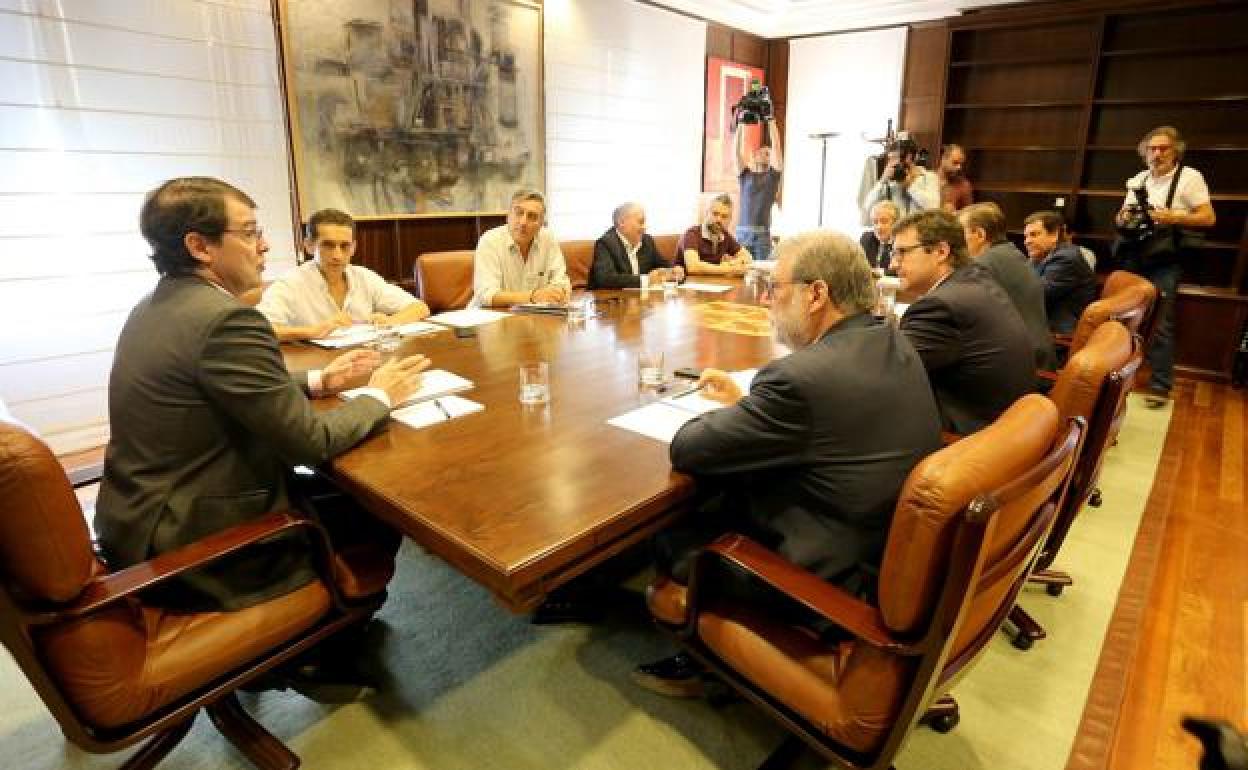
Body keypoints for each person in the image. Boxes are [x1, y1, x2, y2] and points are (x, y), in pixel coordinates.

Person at [94, 177, 428, 698]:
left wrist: (321, 379)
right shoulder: (227, 318)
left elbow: (217, 385)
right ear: (200, 246)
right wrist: (380, 395)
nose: (266, 244)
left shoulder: (158, 306)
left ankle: (322, 633)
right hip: (198, 541)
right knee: (373, 505)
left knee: (340, 493)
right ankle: (319, 646)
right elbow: (310, 443)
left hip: (139, 518)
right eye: (250, 232)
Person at [632, 231, 942, 697]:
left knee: (671, 538)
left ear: (816, 294)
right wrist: (756, 409)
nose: (767, 301)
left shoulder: (801, 380)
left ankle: (706, 661)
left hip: (821, 580)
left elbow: (690, 449)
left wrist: (739, 413)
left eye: (775, 288)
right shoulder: (891, 341)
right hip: (876, 550)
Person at [895, 209, 1035, 434]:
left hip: (968, 437)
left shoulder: (940, 307)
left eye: (902, 252)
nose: (894, 264)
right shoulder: (975, 278)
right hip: (1009, 426)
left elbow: (888, 373)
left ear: (941, 251)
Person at [1114, 125, 1216, 407]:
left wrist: (1173, 217)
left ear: (1175, 152)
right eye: (1152, 148)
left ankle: (1159, 385)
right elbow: (1125, 213)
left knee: (1161, 321)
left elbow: (1208, 218)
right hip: (1134, 255)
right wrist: (1124, 219)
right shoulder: (1138, 179)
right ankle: (1119, 377)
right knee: (1124, 318)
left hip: (1165, 259)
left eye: (1163, 148)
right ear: (1144, 152)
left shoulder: (1189, 178)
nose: (1157, 154)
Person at [257, 208, 430, 341]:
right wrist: (312, 331)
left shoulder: (364, 277)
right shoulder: (290, 283)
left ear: (353, 248)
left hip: (362, 361)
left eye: (344, 246)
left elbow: (420, 308)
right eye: (328, 245)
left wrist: (389, 323)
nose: (337, 255)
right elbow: (259, 329)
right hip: (316, 368)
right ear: (309, 246)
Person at [959, 202, 1057, 371]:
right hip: (1036, 356)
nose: (957, 241)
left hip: (1019, 366)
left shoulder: (982, 266)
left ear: (980, 234)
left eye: (961, 233)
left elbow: (963, 318)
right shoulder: (1012, 253)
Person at [473, 189, 571, 307]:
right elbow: (486, 295)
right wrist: (533, 296)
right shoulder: (490, 241)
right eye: (519, 213)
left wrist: (558, 292)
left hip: (534, 317)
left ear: (541, 224)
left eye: (532, 216)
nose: (523, 222)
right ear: (508, 216)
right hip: (490, 317)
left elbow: (562, 282)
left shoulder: (548, 239)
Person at [1023, 210, 1098, 335]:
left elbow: (1034, 294)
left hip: (1058, 331)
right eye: (1026, 236)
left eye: (1034, 235)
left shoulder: (1065, 258)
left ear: (1054, 235)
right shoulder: (1044, 254)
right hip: (1044, 321)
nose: (1027, 241)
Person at [589, 202, 683, 289]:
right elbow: (605, 279)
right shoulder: (605, 243)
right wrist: (648, 280)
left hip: (641, 301)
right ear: (621, 222)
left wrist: (674, 271)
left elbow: (662, 265)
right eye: (641, 222)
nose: (645, 227)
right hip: (611, 302)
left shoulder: (647, 241)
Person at [732, 118, 783, 260]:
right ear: (754, 156)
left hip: (762, 236)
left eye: (769, 153)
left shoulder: (773, 177)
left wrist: (771, 122)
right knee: (740, 271)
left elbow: (777, 148)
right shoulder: (745, 175)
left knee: (763, 273)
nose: (766, 155)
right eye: (763, 152)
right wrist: (742, 122)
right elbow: (736, 152)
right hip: (742, 233)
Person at [677, 193, 754, 276]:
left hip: (713, 284)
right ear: (707, 213)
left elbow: (748, 257)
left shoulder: (725, 236)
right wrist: (728, 269)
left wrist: (732, 263)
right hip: (687, 285)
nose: (718, 220)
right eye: (715, 214)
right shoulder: (692, 234)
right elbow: (693, 267)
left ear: (730, 219)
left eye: (724, 216)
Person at [861, 142, 941, 219]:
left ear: (910, 157)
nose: (892, 163)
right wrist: (882, 181)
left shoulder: (929, 177)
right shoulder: (890, 182)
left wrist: (910, 186)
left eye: (895, 158)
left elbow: (933, 207)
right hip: (896, 230)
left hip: (920, 230)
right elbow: (867, 207)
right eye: (890, 159)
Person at [860, 200, 900, 272]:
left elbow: (898, 271)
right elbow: (858, 268)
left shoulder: (901, 242)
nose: (879, 227)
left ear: (896, 223)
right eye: (875, 222)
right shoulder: (866, 239)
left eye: (884, 221)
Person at [939, 143, 973, 212]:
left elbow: (969, 215)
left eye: (961, 164)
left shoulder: (964, 185)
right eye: (955, 163)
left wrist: (955, 213)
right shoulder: (928, 179)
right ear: (943, 159)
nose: (959, 167)